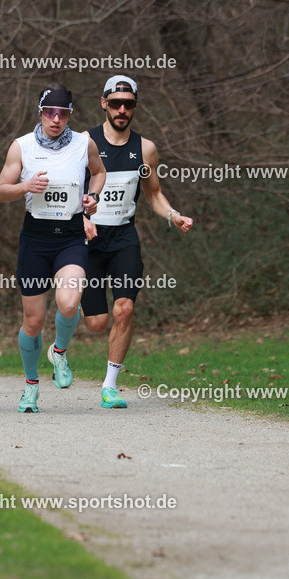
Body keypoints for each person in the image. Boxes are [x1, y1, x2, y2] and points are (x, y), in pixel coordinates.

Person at [81, 75, 194, 408]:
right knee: (96, 323)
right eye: (115, 103)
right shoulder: (84, 141)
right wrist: (81, 217)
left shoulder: (145, 149)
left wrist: (173, 215)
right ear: (104, 103)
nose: (121, 109)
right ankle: (61, 336)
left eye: (128, 104)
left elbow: (154, 193)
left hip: (124, 237)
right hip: (88, 237)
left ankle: (110, 386)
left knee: (125, 308)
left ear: (134, 107)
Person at [0, 84, 104, 412]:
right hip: (35, 239)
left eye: (63, 113)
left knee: (69, 303)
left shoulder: (84, 143)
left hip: (70, 236)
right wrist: (25, 186)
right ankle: (31, 387)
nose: (56, 119)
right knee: (34, 321)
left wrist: (93, 197)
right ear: (40, 113)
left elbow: (98, 173)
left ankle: (58, 351)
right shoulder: (22, 147)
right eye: (49, 112)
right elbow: (1, 191)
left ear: (70, 115)